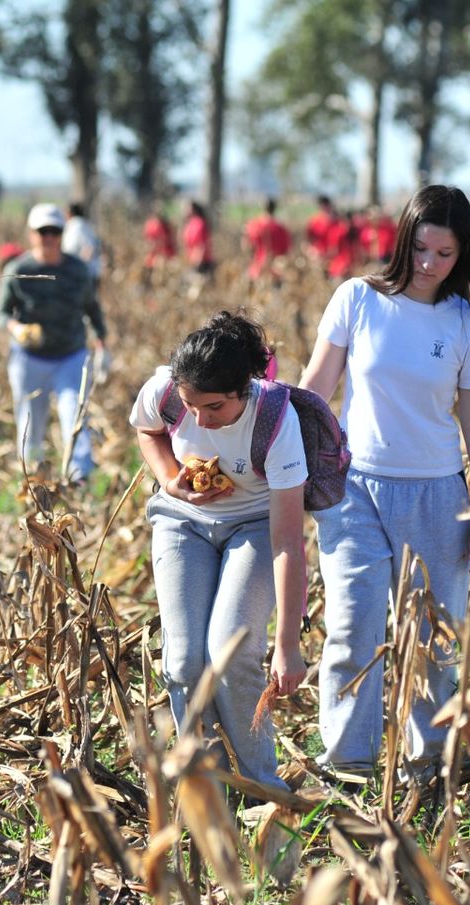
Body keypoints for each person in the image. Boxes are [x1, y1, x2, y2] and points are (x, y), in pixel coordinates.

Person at [298, 184, 470, 781]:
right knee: (352, 623)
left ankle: (430, 760)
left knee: (436, 637)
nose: (428, 264)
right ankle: (349, 760)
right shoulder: (356, 299)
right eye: (420, 249)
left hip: (437, 495)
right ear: (402, 240)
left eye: (443, 254)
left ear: (461, 255)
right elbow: (314, 391)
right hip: (353, 487)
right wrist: (284, 459)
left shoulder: (466, 325)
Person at [130, 310, 308, 793]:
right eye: (190, 407)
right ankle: (205, 781)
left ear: (245, 389)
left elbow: (289, 539)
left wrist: (288, 644)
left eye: (214, 408)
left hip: (253, 526)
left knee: (229, 654)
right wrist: (172, 481)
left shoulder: (274, 419)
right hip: (181, 524)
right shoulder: (164, 390)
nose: (200, 421)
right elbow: (148, 431)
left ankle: (261, 786)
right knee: (185, 661)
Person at [0, 203, 109, 485]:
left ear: (62, 233)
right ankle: (32, 476)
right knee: (31, 419)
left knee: (75, 415)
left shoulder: (77, 270)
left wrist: (102, 341)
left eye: (54, 231)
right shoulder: (18, 270)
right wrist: (16, 328)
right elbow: (1, 312)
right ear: (32, 234)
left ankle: (79, 477)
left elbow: (91, 307)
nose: (49, 237)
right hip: (30, 359)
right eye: (43, 231)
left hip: (71, 355)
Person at [244, 197, 292, 285]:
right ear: (275, 208)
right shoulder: (281, 228)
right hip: (275, 271)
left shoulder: (254, 225)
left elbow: (247, 246)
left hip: (257, 269)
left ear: (263, 208)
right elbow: (286, 250)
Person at [61, 202, 103, 288]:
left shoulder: (79, 227)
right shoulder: (81, 226)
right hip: (85, 274)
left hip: (84, 275)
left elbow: (89, 248)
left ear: (70, 213)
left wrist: (80, 268)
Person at [182, 200, 215, 280]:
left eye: (188, 208)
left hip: (201, 261)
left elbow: (201, 244)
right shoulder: (190, 223)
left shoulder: (199, 223)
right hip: (192, 259)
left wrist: (198, 260)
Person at [304, 195, 337, 268]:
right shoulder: (314, 222)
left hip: (335, 259)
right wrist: (311, 252)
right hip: (318, 257)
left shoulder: (338, 223)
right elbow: (307, 241)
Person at [142, 207, 176, 271]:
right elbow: (148, 240)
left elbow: (169, 240)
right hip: (154, 255)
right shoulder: (150, 224)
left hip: (165, 255)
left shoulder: (166, 225)